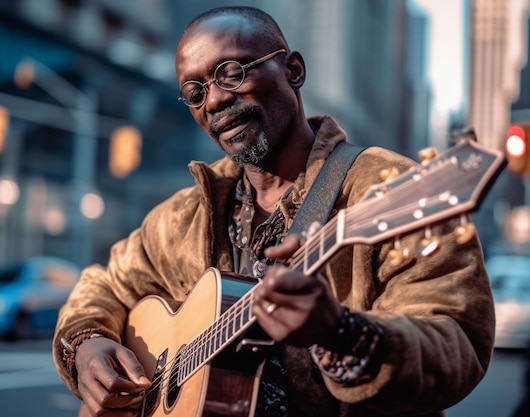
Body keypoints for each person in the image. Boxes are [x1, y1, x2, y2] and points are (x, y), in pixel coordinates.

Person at [53, 6, 495, 417]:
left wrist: (341, 331)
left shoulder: (386, 185)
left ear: (294, 71)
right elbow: (103, 285)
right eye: (194, 91)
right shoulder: (181, 217)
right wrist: (88, 342)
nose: (214, 101)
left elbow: (455, 341)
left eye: (231, 73)